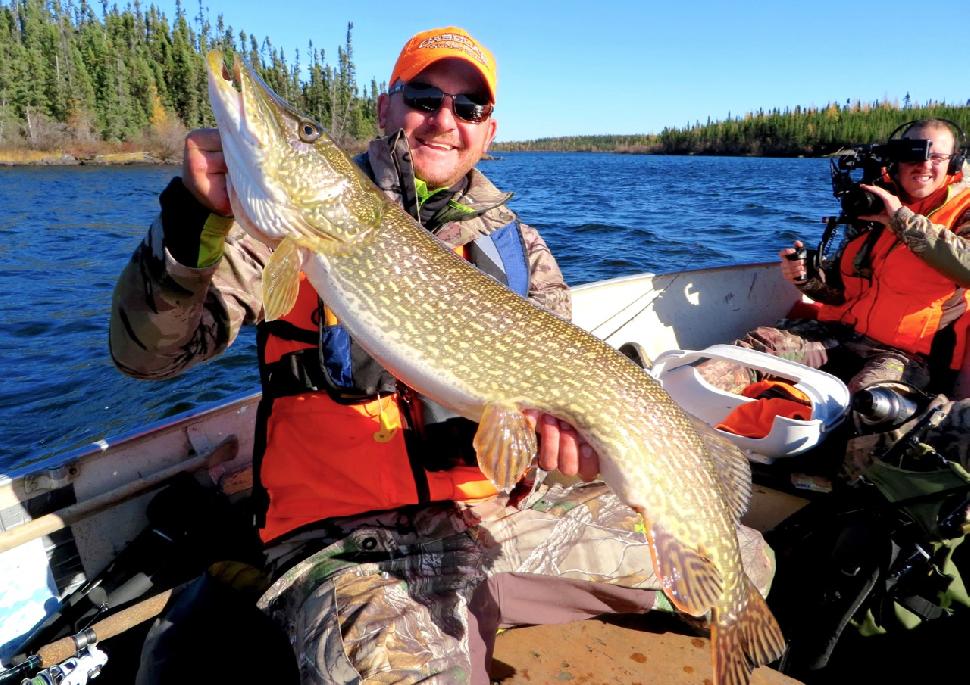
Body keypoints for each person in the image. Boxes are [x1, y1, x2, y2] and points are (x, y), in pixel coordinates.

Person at [111, 26, 775, 684]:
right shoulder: (276, 233)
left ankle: (541, 608)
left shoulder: (522, 250)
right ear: (385, 108)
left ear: (488, 132)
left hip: (492, 526)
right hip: (346, 541)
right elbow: (149, 355)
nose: (444, 120)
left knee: (745, 559)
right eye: (425, 97)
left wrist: (573, 455)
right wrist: (193, 220)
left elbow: (543, 431)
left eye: (469, 108)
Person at [698, 119, 970, 398]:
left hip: (907, 356)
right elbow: (843, 291)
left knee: (872, 404)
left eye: (937, 156)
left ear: (955, 162)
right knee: (754, 352)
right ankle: (681, 407)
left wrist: (901, 220)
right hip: (841, 335)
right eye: (914, 154)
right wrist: (807, 278)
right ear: (896, 160)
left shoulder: (964, 208)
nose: (924, 165)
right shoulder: (871, 204)